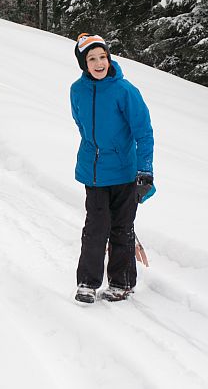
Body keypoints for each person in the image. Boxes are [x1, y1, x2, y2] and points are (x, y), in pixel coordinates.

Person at [70, 33, 155, 304]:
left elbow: (144, 133)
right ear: (84, 63)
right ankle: (87, 282)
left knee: (121, 228)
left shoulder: (125, 91)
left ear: (109, 58)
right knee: (95, 227)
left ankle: (121, 283)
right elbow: (80, 124)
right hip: (93, 173)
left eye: (102, 57)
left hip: (124, 172)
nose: (98, 63)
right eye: (92, 59)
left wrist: (145, 171)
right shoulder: (77, 90)